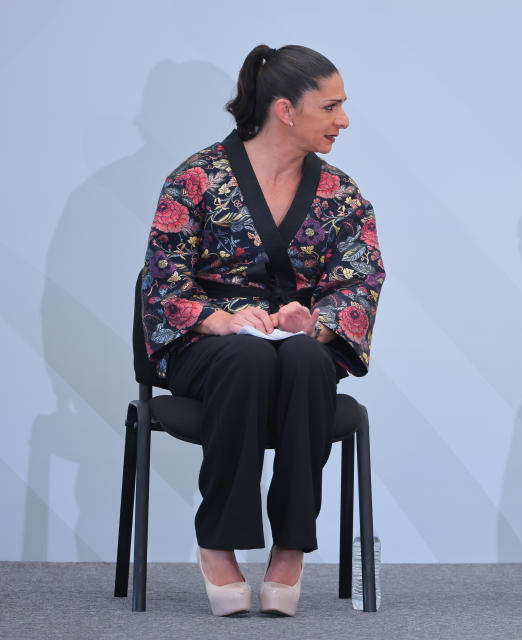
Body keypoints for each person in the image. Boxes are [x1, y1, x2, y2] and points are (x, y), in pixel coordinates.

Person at [140, 44, 385, 617]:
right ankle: (218, 541)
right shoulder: (196, 179)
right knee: (245, 359)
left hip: (296, 345)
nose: (343, 120)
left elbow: (361, 276)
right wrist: (221, 320)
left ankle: (291, 544)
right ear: (285, 110)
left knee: (301, 359)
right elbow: (162, 279)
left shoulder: (340, 194)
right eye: (331, 107)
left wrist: (318, 324)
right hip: (207, 345)